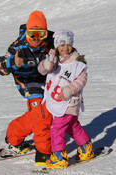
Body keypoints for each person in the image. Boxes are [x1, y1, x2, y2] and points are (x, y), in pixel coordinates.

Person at [0, 11, 55, 165]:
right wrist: (13, 63)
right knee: (42, 116)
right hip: (28, 83)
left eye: (40, 34)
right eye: (32, 33)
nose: (36, 38)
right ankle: (44, 154)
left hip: (49, 81)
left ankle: (13, 134)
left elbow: (68, 50)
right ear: (27, 32)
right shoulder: (18, 46)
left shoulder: (51, 42)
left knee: (42, 114)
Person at [37, 30, 94, 169]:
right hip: (57, 101)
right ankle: (86, 149)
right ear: (56, 45)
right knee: (72, 126)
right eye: (62, 45)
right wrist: (48, 62)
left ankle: (59, 157)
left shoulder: (77, 63)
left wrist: (68, 90)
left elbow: (81, 81)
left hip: (68, 102)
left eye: (68, 44)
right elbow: (41, 71)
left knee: (56, 129)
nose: (65, 48)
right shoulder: (54, 58)